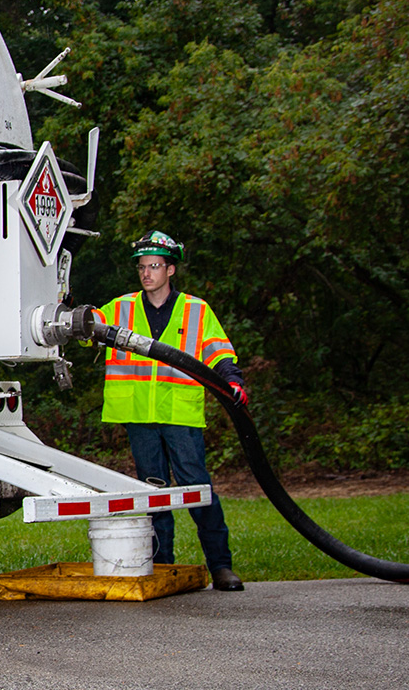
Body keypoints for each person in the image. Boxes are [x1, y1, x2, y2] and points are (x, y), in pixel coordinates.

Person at [93, 231, 250, 592]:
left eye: (154, 266)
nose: (147, 273)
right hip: (139, 416)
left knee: (199, 489)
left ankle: (221, 567)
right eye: (142, 267)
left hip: (180, 415)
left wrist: (233, 380)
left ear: (171, 269)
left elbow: (218, 351)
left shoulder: (196, 310)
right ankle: (164, 568)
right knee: (154, 493)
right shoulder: (120, 307)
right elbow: (88, 328)